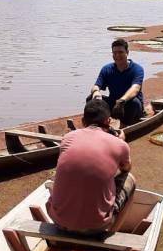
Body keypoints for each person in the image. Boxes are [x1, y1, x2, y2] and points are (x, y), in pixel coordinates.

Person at [46, 99, 136, 234]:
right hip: (96, 226)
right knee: (130, 179)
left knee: (61, 174)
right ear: (109, 121)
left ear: (83, 121)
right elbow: (126, 169)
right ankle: (111, 232)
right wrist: (119, 141)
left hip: (59, 222)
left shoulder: (67, 137)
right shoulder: (120, 145)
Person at [89, 37, 145, 125]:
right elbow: (96, 85)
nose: (117, 55)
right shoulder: (107, 69)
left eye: (121, 52)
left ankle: (125, 125)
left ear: (127, 53)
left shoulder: (137, 69)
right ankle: (95, 125)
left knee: (134, 102)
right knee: (90, 99)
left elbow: (135, 89)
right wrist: (96, 92)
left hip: (130, 105)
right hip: (113, 103)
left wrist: (122, 101)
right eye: (115, 53)